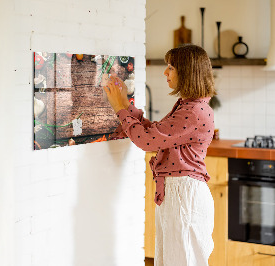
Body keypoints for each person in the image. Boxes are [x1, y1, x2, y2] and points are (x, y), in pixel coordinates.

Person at [104, 44, 216, 266]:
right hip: (179, 193)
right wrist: (126, 104)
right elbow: (155, 133)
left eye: (171, 67)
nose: (165, 72)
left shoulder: (193, 111)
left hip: (184, 195)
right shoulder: (189, 106)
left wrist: (119, 108)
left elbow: (147, 141)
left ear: (187, 72)